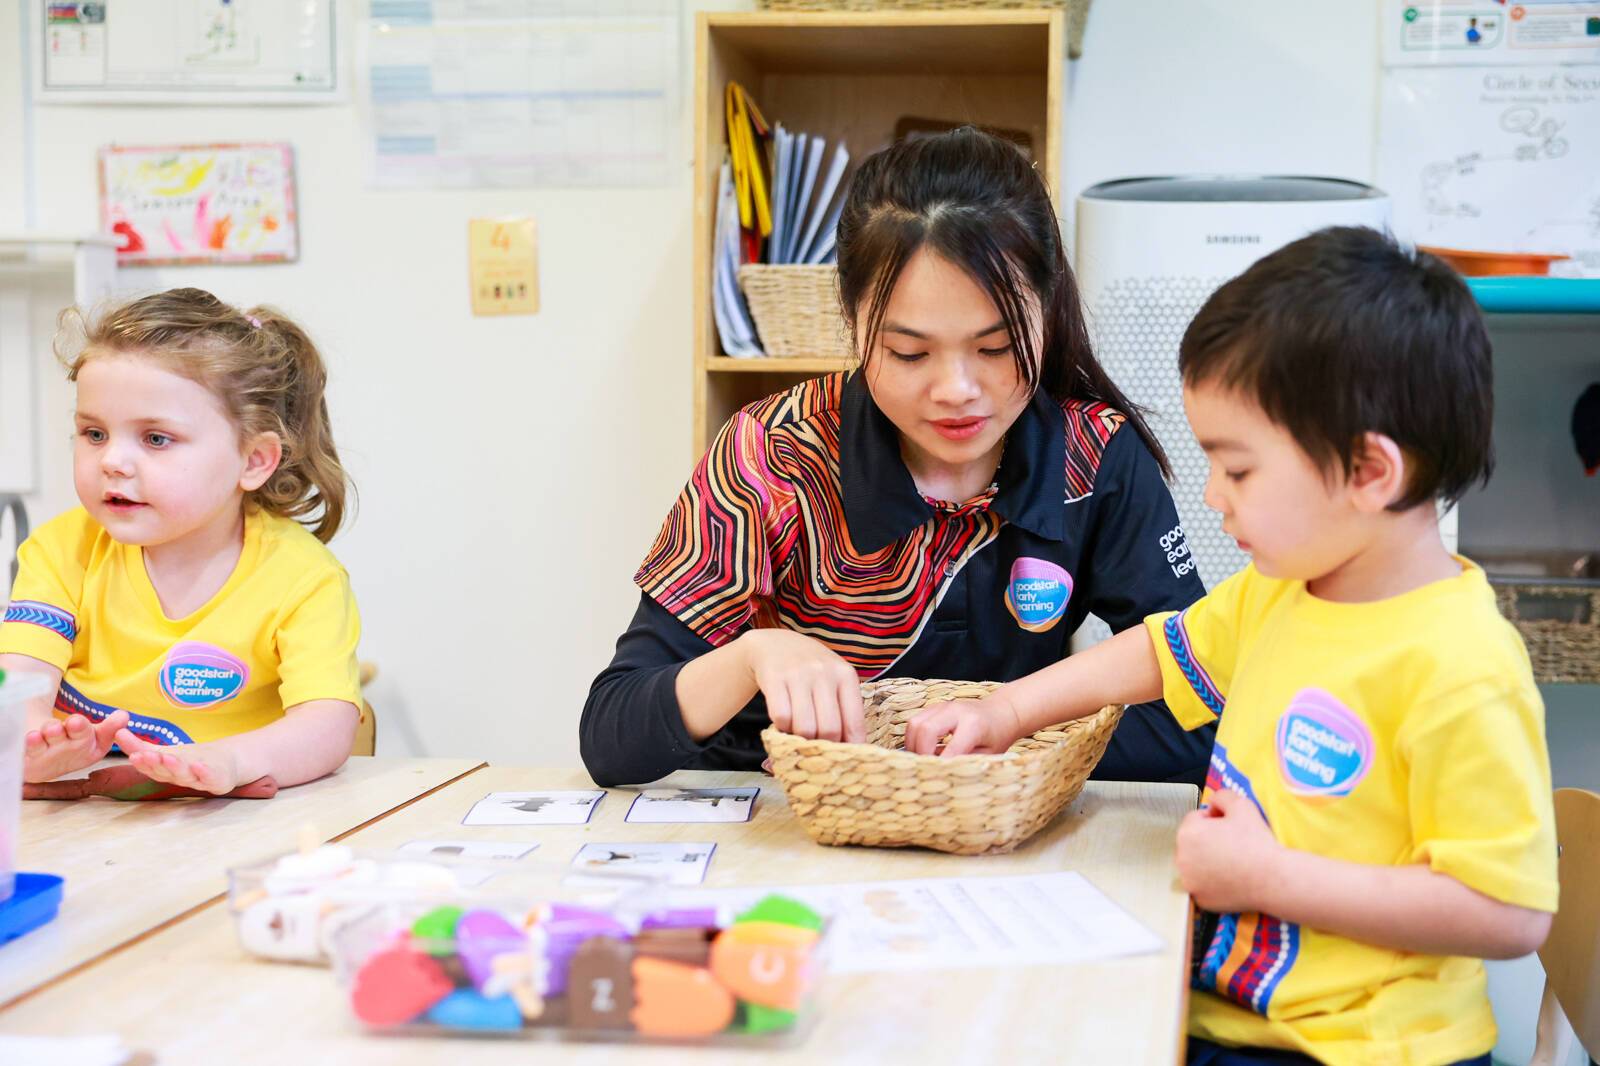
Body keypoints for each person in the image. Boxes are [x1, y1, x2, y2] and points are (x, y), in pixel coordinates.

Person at [906, 227, 1556, 1066]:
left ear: (1369, 472)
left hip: (1360, 1050)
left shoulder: (1462, 666)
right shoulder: (1283, 590)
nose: (1213, 495)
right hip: (1231, 1016)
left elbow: (1506, 912)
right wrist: (1004, 711)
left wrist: (1267, 880)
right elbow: (1159, 653)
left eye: (1239, 470)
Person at [581, 127, 1211, 787]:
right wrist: (749, 657)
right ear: (852, 323)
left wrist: (1002, 735)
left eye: (995, 347)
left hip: (992, 831)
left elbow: (1203, 708)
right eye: (910, 353)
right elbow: (610, 733)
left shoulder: (1094, 457)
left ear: (1047, 314)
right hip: (779, 821)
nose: (957, 391)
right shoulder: (769, 456)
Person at [0, 288, 363, 796]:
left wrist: (231, 761)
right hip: (86, 820)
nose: (112, 462)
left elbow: (327, 724)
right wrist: (32, 743)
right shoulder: (62, 550)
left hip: (224, 826)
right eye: (94, 433)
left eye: (155, 439)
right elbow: (20, 678)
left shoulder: (304, 578)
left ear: (253, 460)